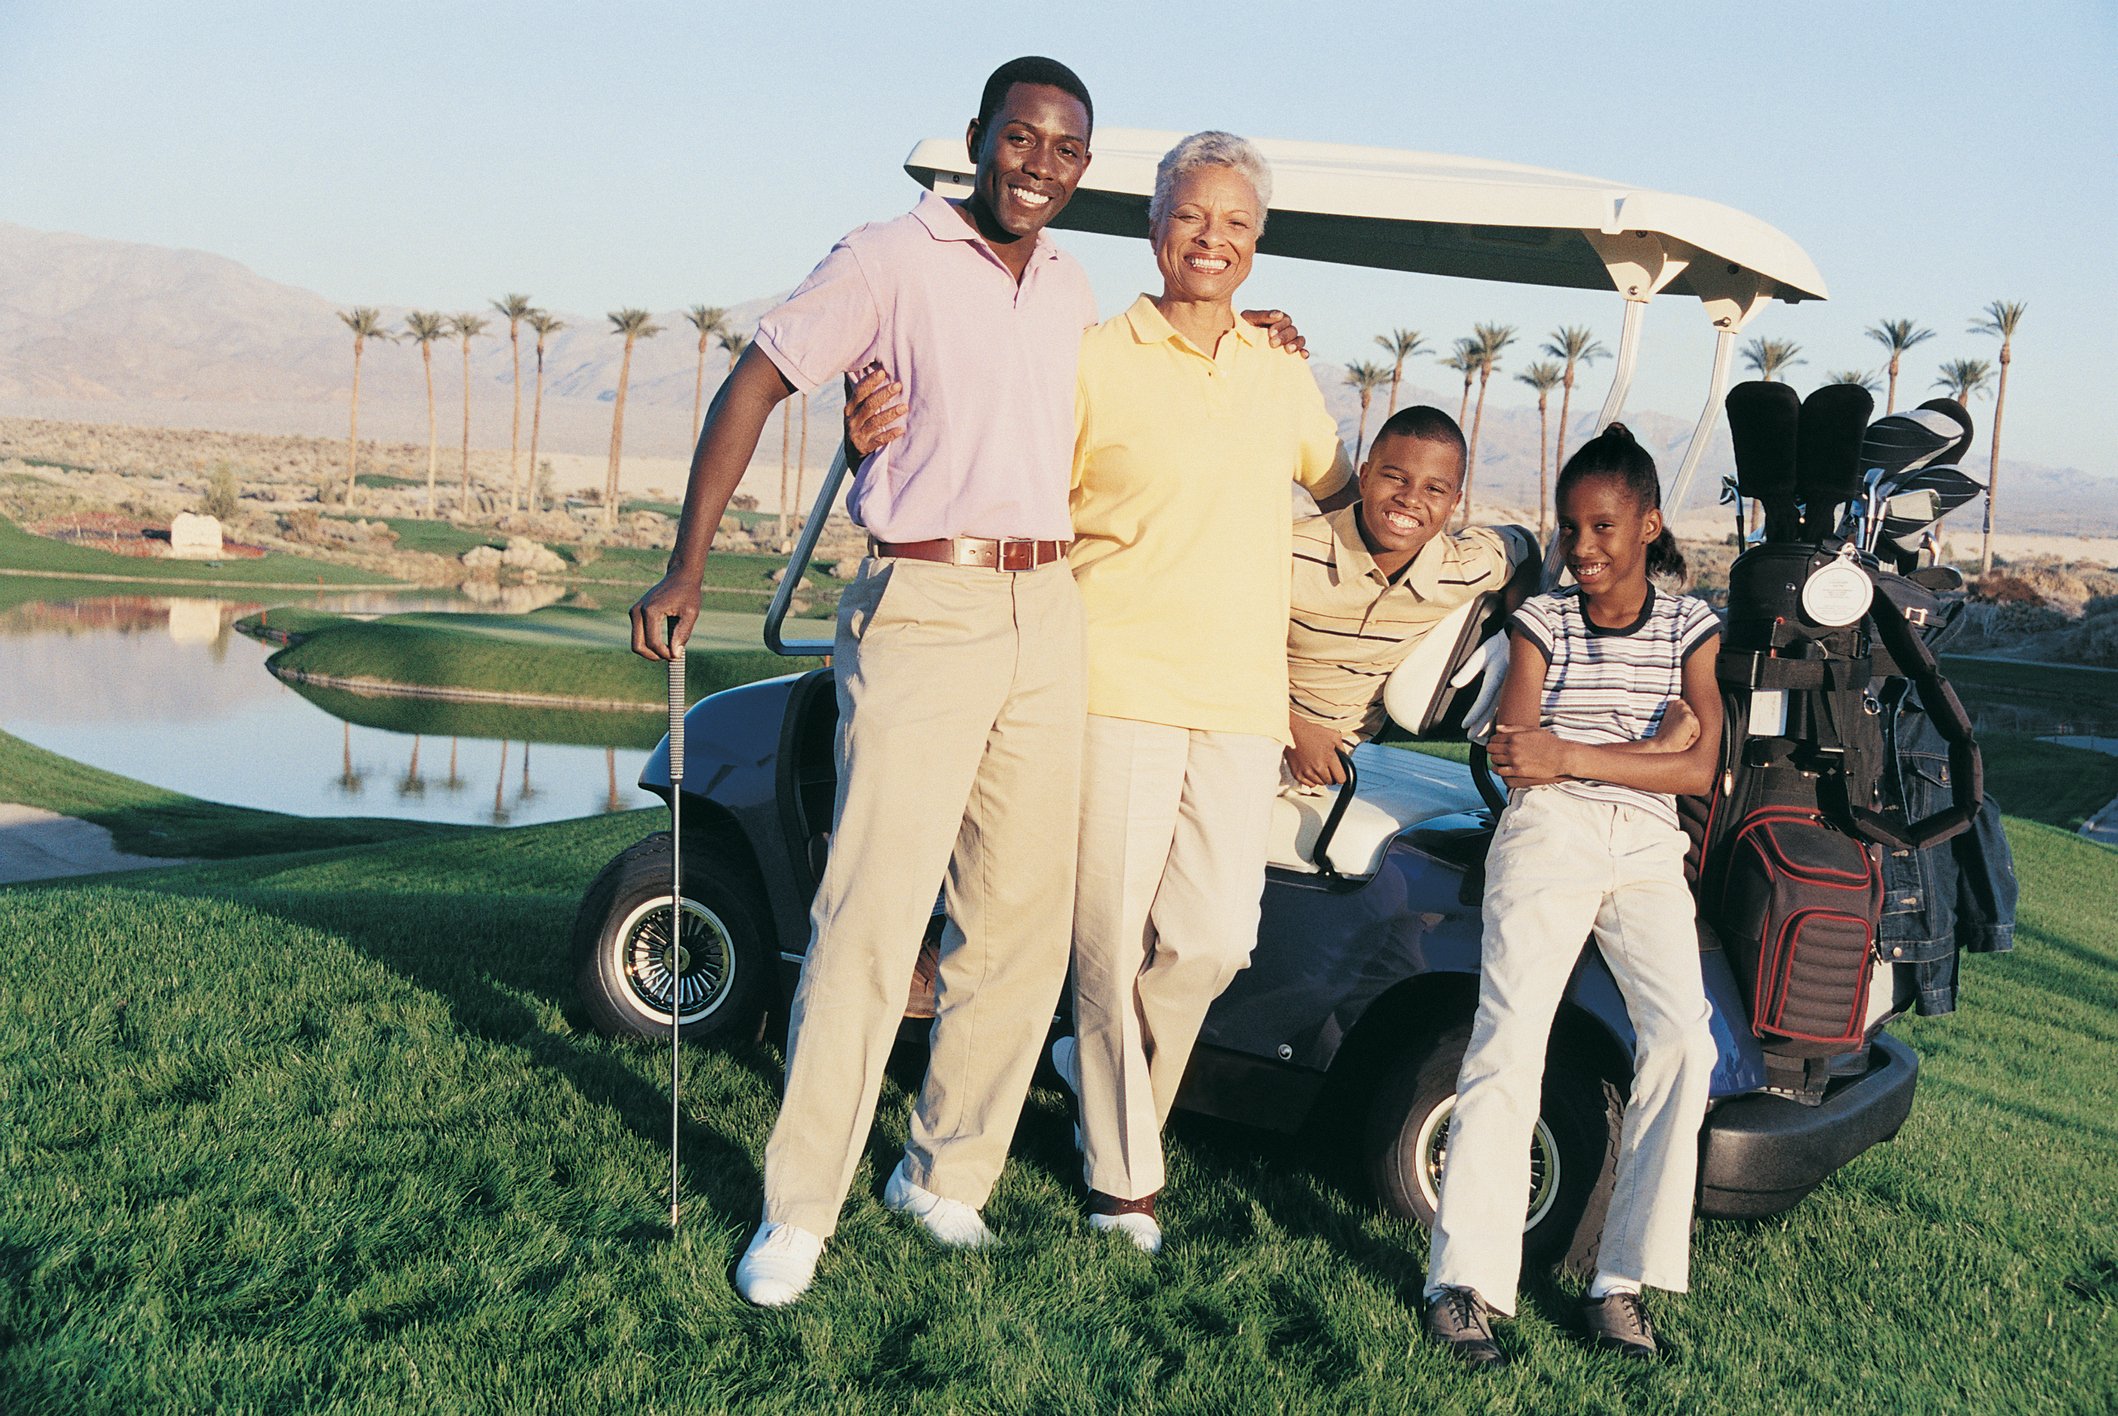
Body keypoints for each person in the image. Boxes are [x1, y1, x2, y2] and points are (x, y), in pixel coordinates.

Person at [631, 56, 1103, 1309]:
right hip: (927, 599)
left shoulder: (1070, 286)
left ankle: (944, 1177)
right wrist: (689, 566)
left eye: (1063, 149)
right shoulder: (888, 256)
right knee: (870, 917)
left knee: (1016, 923)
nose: (1038, 166)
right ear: (978, 140)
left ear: (1082, 168)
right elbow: (756, 381)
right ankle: (798, 1212)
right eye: (1020, 139)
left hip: (1047, 609)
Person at [843, 131, 1333, 1259]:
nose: (1210, 240)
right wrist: (865, 426)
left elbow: (1350, 491)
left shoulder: (1280, 367)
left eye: (1235, 224)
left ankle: (1083, 1069)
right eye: (1191, 216)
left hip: (1241, 697)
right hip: (1111, 680)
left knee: (1211, 940)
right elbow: (992, 473)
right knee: (1107, 943)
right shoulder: (1092, 353)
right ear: (1154, 224)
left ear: (1258, 246)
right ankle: (1123, 1177)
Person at [1421, 424, 1723, 1369]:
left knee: (1683, 1041)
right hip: (1548, 830)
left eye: (1603, 529)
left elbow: (1706, 768)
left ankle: (1619, 1284)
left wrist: (1582, 755)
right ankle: (1461, 1283)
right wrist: (1650, 755)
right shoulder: (1541, 622)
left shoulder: (1691, 624)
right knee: (1512, 1036)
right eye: (1570, 530)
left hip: (1644, 845)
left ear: (1649, 525)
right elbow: (1518, 757)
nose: (1583, 550)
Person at [1282, 404, 1536, 789]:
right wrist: (1292, 729)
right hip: (1246, 735)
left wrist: (1517, 635)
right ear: (1364, 477)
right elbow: (1212, 654)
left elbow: (1525, 549)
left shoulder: (1463, 567)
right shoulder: (1289, 552)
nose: (1411, 498)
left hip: (1335, 769)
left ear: (1454, 503)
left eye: (1434, 489)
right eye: (1395, 478)